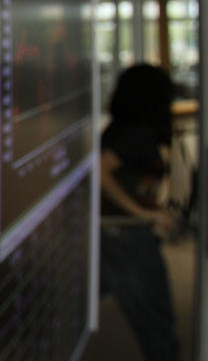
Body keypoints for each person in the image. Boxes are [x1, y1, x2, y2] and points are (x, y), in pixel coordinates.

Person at [99, 63, 180, 361]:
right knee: (158, 328)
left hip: (119, 237)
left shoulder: (133, 132)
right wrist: (141, 214)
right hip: (125, 238)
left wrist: (152, 211)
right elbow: (100, 170)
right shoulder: (134, 135)